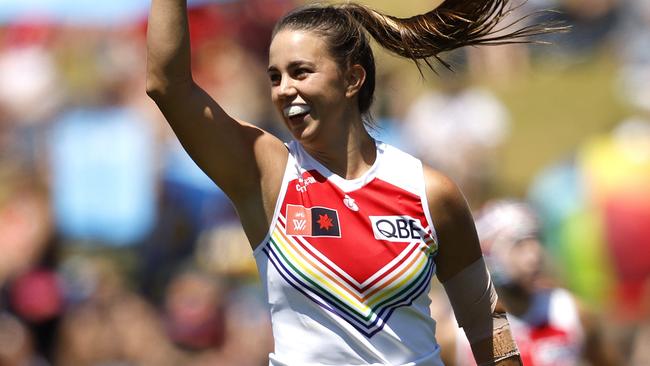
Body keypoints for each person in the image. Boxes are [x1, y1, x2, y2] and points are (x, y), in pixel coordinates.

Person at [146, 1, 555, 364]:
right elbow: (167, 85)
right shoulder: (266, 174)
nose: (285, 90)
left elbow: (488, 325)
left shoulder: (431, 193)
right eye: (274, 77)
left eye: (300, 72)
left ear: (352, 79)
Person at [437, 200, 619, 365]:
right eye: (519, 245)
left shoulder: (572, 313)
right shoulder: (455, 336)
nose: (535, 256)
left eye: (536, 241)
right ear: (487, 253)